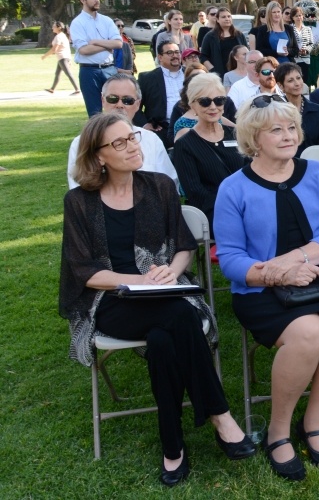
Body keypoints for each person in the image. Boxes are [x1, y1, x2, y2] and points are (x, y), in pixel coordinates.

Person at [61, 112, 254, 486]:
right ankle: (220, 417)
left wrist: (170, 270)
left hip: (164, 292)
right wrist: (138, 280)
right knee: (180, 319)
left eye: (131, 138)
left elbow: (184, 245)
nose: (132, 146)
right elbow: (84, 271)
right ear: (99, 156)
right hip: (111, 301)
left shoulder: (160, 186)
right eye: (119, 143)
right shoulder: (79, 202)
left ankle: (173, 445)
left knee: (165, 339)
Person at [214, 96, 319, 481]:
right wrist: (275, 274)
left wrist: (298, 260)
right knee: (308, 332)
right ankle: (278, 431)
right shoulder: (232, 188)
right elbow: (230, 258)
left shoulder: (317, 173)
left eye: (292, 128)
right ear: (254, 138)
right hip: (260, 290)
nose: (288, 136)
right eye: (276, 129)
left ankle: (314, 422)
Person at [67, 73, 178, 190]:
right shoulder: (82, 142)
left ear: (137, 104)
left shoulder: (151, 140)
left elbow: (169, 184)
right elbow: (78, 188)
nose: (119, 105)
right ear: (102, 100)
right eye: (112, 99)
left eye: (127, 100)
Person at [171, 73, 245, 235]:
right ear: (193, 105)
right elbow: (196, 192)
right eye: (205, 102)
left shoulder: (236, 134)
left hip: (248, 205)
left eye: (219, 100)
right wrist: (233, 207)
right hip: (215, 212)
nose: (213, 107)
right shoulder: (185, 145)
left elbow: (252, 172)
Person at [69, 0, 123, 117]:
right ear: (83, 0)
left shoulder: (107, 20)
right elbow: (83, 50)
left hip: (109, 69)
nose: (97, 0)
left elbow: (118, 43)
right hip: (89, 71)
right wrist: (107, 45)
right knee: (94, 112)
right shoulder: (77, 23)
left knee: (118, 107)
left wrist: (95, 41)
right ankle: (97, 137)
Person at [275, 62, 319, 157]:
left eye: (298, 78)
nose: (297, 83)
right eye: (290, 80)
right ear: (280, 86)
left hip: (314, 163)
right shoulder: (276, 113)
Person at [137, 41, 185, 148]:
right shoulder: (147, 79)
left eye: (177, 52)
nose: (175, 56)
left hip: (191, 125)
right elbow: (134, 106)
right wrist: (144, 124)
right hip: (160, 128)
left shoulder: (191, 75)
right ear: (160, 57)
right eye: (170, 53)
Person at [170, 60, 210, 142]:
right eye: (195, 79)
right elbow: (171, 136)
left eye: (204, 78)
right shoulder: (179, 106)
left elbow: (235, 128)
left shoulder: (222, 102)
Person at [42, 21, 80, 95]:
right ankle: (52, 89)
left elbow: (54, 49)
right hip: (63, 57)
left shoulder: (59, 36)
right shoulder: (63, 36)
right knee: (57, 73)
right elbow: (66, 48)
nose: (52, 28)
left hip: (63, 58)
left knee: (68, 73)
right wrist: (69, 59)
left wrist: (45, 55)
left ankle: (77, 89)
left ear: (59, 28)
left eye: (54, 26)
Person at [289, 6, 314, 76]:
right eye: (296, 16)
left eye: (300, 15)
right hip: (294, 59)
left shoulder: (308, 29)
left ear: (303, 16)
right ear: (292, 17)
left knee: (304, 80)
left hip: (305, 59)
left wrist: (306, 50)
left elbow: (311, 44)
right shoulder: (289, 29)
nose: (298, 17)